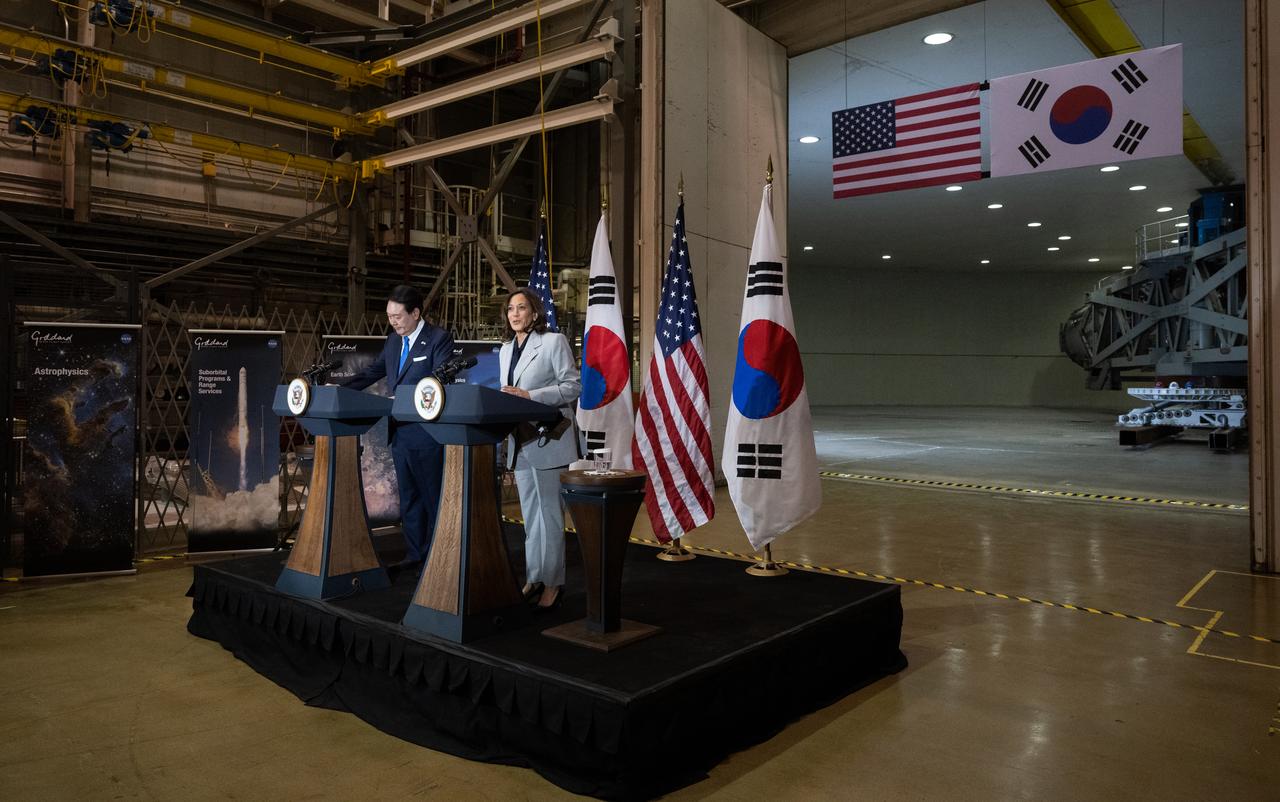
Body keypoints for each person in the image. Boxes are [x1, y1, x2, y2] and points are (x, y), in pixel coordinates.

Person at [344, 284, 455, 569]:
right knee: (409, 498)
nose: (393, 322)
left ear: (416, 313)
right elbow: (373, 371)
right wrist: (341, 390)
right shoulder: (393, 342)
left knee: (432, 498)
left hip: (427, 433)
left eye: (398, 316)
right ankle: (415, 554)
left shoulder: (438, 339)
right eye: (389, 316)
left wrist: (405, 397)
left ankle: (436, 561)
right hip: (400, 432)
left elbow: (441, 380)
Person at [498, 288, 581, 610]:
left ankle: (553, 582)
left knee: (549, 516)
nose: (515, 314)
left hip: (549, 439)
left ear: (534, 313)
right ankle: (534, 577)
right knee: (530, 517)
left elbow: (572, 386)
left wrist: (531, 396)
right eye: (510, 309)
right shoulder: (505, 349)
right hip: (520, 440)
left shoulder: (553, 342)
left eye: (521, 308)